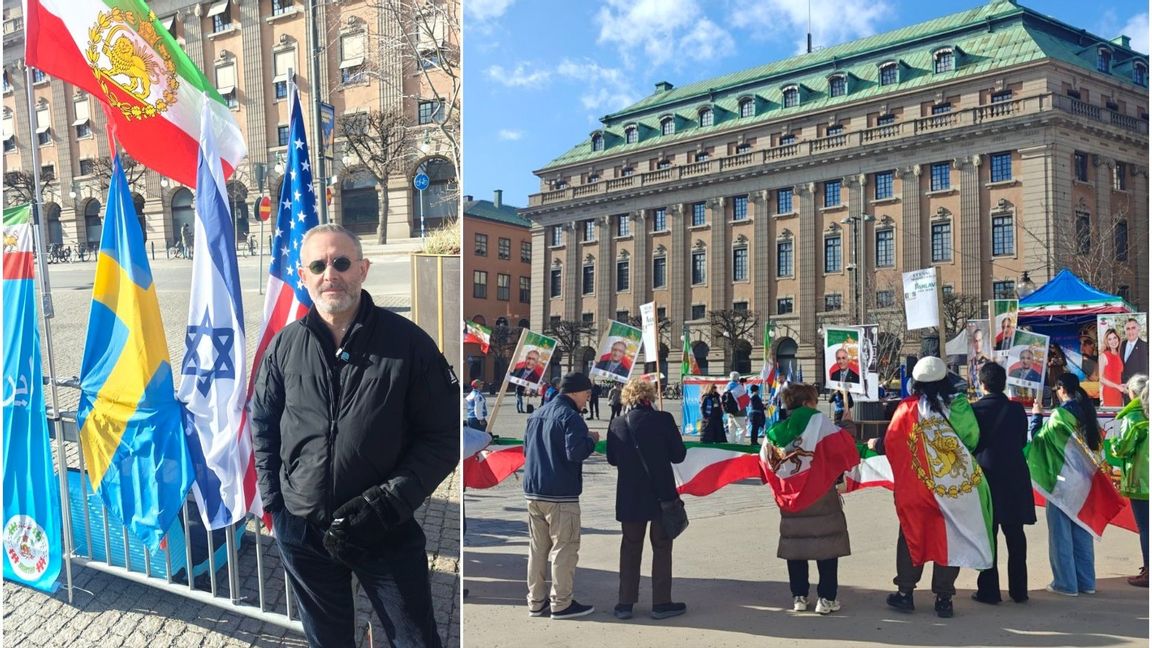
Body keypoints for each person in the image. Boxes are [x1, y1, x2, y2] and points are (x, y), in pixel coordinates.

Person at [251, 224, 458, 647]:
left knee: (415, 640)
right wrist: (276, 505)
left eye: (341, 262)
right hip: (304, 530)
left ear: (362, 269)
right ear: (303, 276)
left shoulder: (409, 344)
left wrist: (388, 503)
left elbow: (442, 436)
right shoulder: (285, 345)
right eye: (318, 265)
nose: (330, 274)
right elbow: (264, 424)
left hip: (384, 528)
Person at [867, 356, 989, 618]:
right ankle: (944, 598)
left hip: (917, 489)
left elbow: (893, 443)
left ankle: (905, 593)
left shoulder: (907, 408)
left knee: (911, 535)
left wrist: (876, 445)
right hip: (953, 488)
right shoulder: (958, 407)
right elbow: (972, 440)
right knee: (950, 538)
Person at [606, 378, 688, 621]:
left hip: (630, 495)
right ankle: (661, 603)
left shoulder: (617, 423)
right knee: (662, 546)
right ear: (650, 397)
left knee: (630, 547)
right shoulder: (663, 419)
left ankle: (625, 604)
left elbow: (611, 459)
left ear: (626, 398)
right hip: (661, 493)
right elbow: (679, 455)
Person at [768, 383, 851, 616]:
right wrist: (848, 424)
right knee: (827, 547)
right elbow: (842, 446)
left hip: (792, 498)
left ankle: (799, 596)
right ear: (806, 403)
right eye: (814, 401)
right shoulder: (819, 422)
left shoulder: (775, 430)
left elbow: (767, 462)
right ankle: (826, 598)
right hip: (821, 494)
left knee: (796, 547)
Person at [522, 372, 600, 620]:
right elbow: (576, 453)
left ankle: (536, 601)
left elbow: (526, 450)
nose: (587, 400)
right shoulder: (571, 417)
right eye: (586, 394)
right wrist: (591, 440)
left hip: (534, 491)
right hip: (560, 495)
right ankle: (561, 603)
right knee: (564, 548)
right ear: (575, 392)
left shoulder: (536, 414)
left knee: (537, 549)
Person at [1028, 373, 1102, 596]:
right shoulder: (1088, 413)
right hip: (1085, 481)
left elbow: (1039, 439)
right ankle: (1087, 582)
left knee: (1061, 534)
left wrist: (1036, 416)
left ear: (1061, 389)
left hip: (1062, 480)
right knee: (1082, 532)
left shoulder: (1060, 415)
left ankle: (1066, 583)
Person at [970, 362, 1035, 604]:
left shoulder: (974, 411)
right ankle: (1019, 590)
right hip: (1015, 476)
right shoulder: (1017, 410)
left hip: (986, 476)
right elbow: (1021, 441)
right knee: (1016, 535)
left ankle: (989, 591)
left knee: (988, 534)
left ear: (982, 384)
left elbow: (970, 443)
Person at [1108, 374, 1149, 587]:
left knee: (1146, 528)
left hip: (1142, 481)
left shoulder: (1133, 417)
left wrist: (1114, 443)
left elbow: (1122, 448)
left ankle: (1149, 570)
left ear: (1132, 393)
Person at [1121, 318, 1148, 387]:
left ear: (1138, 329)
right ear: (1125, 331)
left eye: (1133, 328)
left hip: (1136, 388)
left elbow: (1145, 372)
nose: (1130, 331)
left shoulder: (1145, 346)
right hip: (1121, 387)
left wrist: (1130, 385)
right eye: (1128, 329)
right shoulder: (1121, 345)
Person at [723, 372, 747, 443]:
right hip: (739, 412)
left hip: (729, 412)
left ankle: (732, 443)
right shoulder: (739, 387)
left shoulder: (727, 387)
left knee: (732, 429)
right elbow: (745, 399)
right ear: (738, 378)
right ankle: (740, 443)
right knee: (742, 428)